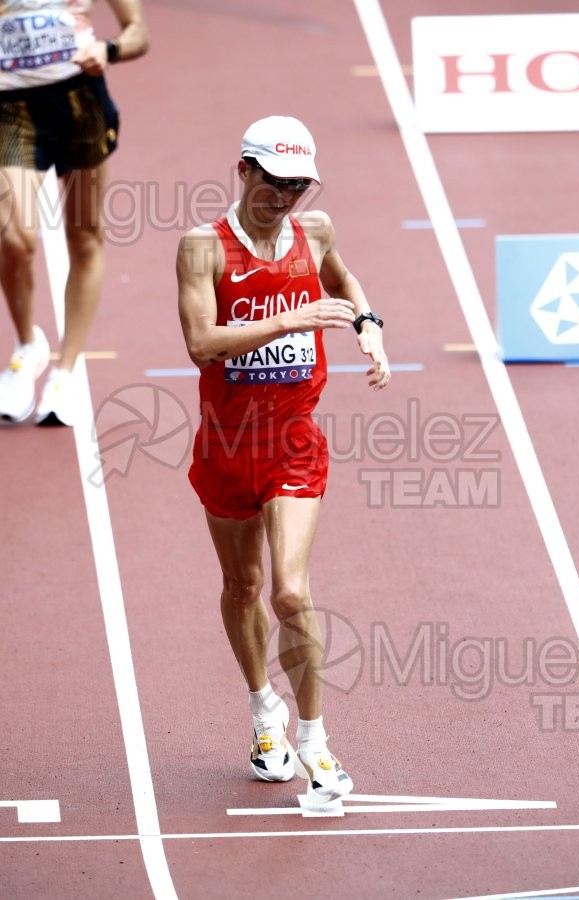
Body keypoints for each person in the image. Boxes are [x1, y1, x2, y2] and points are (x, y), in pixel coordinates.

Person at [177, 115, 391, 802]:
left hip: (293, 440)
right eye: (275, 183)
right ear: (244, 170)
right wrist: (289, 321)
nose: (286, 197)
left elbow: (345, 279)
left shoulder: (315, 231)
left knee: (290, 591)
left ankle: (315, 740)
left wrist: (368, 325)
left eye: (298, 186)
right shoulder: (202, 248)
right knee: (241, 589)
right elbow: (202, 345)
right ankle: (263, 711)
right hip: (226, 445)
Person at [0, 0, 149, 425]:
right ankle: (28, 346)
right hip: (10, 108)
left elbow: (138, 30)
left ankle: (64, 371)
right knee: (14, 237)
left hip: (80, 101)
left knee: (84, 235)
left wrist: (110, 50)